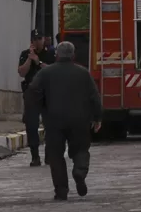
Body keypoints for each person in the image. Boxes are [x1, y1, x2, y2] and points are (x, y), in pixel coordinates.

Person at [27, 41, 102, 201]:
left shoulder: (45, 73)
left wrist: (40, 110)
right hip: (79, 120)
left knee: (55, 155)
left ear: (57, 55)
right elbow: (94, 97)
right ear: (73, 55)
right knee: (81, 149)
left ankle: (61, 190)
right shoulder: (83, 73)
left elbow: (33, 92)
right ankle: (79, 171)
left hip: (53, 120)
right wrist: (97, 117)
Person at [18, 31, 48, 166]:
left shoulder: (50, 53)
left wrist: (38, 61)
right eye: (34, 39)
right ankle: (35, 156)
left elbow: (53, 70)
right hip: (31, 92)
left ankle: (50, 154)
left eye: (39, 38)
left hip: (47, 92)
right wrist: (30, 59)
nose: (37, 41)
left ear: (44, 39)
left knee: (51, 124)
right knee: (31, 125)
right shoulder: (25, 54)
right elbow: (21, 72)